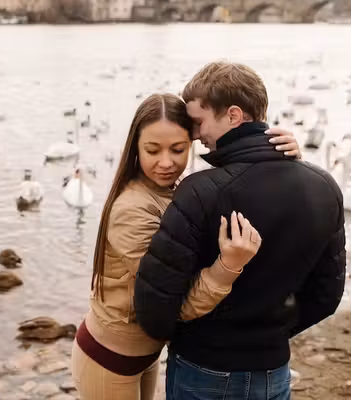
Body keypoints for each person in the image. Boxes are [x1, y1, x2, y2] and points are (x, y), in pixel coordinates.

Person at [134, 62, 346, 400]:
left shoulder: (200, 192)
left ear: (233, 115)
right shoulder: (324, 186)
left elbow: (154, 310)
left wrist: (192, 338)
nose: (195, 135)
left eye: (199, 121)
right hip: (274, 371)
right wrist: (269, 336)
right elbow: (326, 296)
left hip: (203, 369)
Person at [71, 93, 302, 400]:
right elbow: (170, 304)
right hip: (110, 359)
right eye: (152, 150)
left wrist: (281, 157)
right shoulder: (132, 210)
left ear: (194, 142)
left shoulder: (177, 190)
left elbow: (241, 183)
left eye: (178, 149)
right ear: (135, 148)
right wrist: (227, 267)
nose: (166, 163)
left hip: (145, 354)